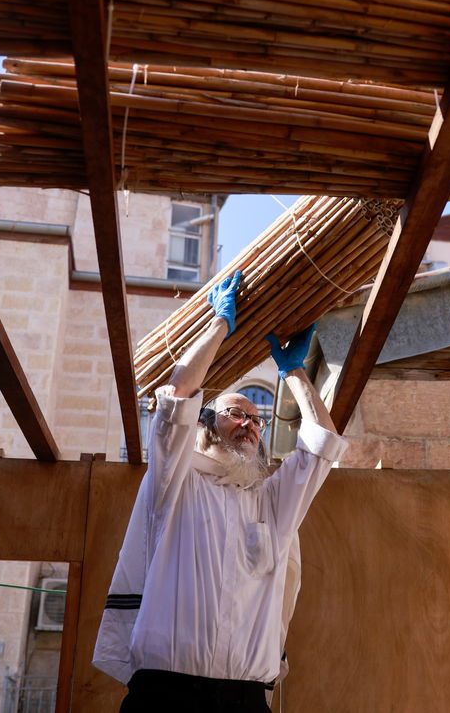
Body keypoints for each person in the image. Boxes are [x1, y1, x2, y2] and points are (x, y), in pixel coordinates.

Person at [94, 270, 348, 712]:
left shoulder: (271, 501)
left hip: (244, 700)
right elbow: (177, 395)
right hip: (165, 694)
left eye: (256, 418)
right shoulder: (176, 481)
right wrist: (219, 324)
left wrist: (294, 373)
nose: (250, 424)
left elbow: (322, 444)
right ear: (208, 423)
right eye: (236, 413)